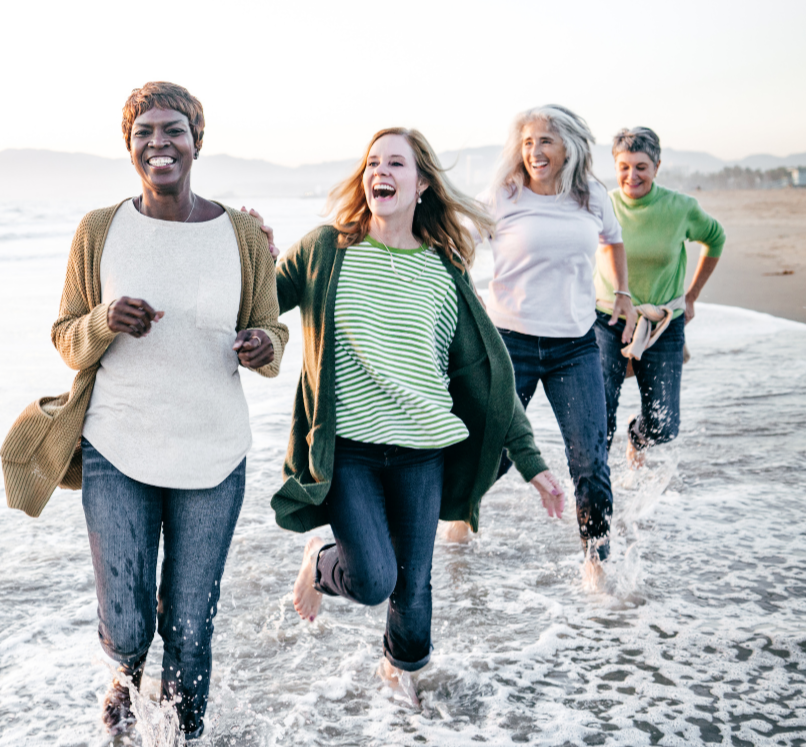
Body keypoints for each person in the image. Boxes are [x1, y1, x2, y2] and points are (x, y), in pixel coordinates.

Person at [3, 82, 287, 740]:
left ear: (197, 141)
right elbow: (66, 336)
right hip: (117, 446)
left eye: (174, 130)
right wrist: (105, 319)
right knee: (129, 622)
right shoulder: (100, 229)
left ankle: (185, 734)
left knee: (190, 625)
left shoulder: (241, 234)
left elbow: (273, 335)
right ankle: (125, 674)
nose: (159, 144)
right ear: (129, 147)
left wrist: (258, 344)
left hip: (213, 452)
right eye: (144, 133)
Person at [266, 127, 564, 703]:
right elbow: (257, 301)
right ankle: (321, 560)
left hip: (423, 452)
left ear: (422, 183)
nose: (381, 171)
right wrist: (252, 248)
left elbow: (491, 379)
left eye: (396, 163)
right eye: (373, 162)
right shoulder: (327, 250)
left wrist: (532, 463)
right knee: (375, 580)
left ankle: (402, 682)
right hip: (349, 450)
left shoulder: (445, 271)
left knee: (415, 586)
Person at [478, 105, 635, 570]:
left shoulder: (591, 197)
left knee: (590, 460)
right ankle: (458, 524)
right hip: (511, 344)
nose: (535, 151)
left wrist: (622, 292)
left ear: (569, 146)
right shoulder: (502, 196)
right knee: (494, 457)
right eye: (527, 142)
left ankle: (597, 565)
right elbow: (456, 244)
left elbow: (613, 238)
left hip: (575, 346)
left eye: (545, 141)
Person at [595, 127, 725, 465]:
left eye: (641, 166)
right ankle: (597, 488)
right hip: (607, 320)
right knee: (599, 415)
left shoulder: (680, 207)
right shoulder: (602, 206)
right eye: (624, 166)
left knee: (665, 424)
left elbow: (716, 238)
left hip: (662, 323)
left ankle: (637, 435)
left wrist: (692, 295)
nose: (632, 175)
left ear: (657, 166)